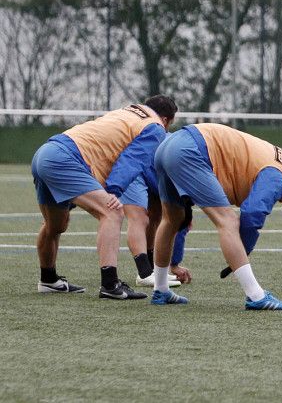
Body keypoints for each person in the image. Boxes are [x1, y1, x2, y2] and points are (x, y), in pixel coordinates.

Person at [149, 123, 282, 310]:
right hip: (190, 149)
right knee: (228, 220)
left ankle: (161, 289)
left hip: (168, 145)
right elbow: (252, 214)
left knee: (171, 220)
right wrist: (243, 250)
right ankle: (256, 296)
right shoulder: (280, 176)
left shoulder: (278, 160)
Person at [32, 96, 180, 300]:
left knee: (56, 225)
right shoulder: (155, 127)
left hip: (46, 152)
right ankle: (110, 285)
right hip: (66, 159)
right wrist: (114, 191)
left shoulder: (126, 112)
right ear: (166, 120)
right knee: (112, 211)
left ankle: (48, 280)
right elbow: (132, 160)